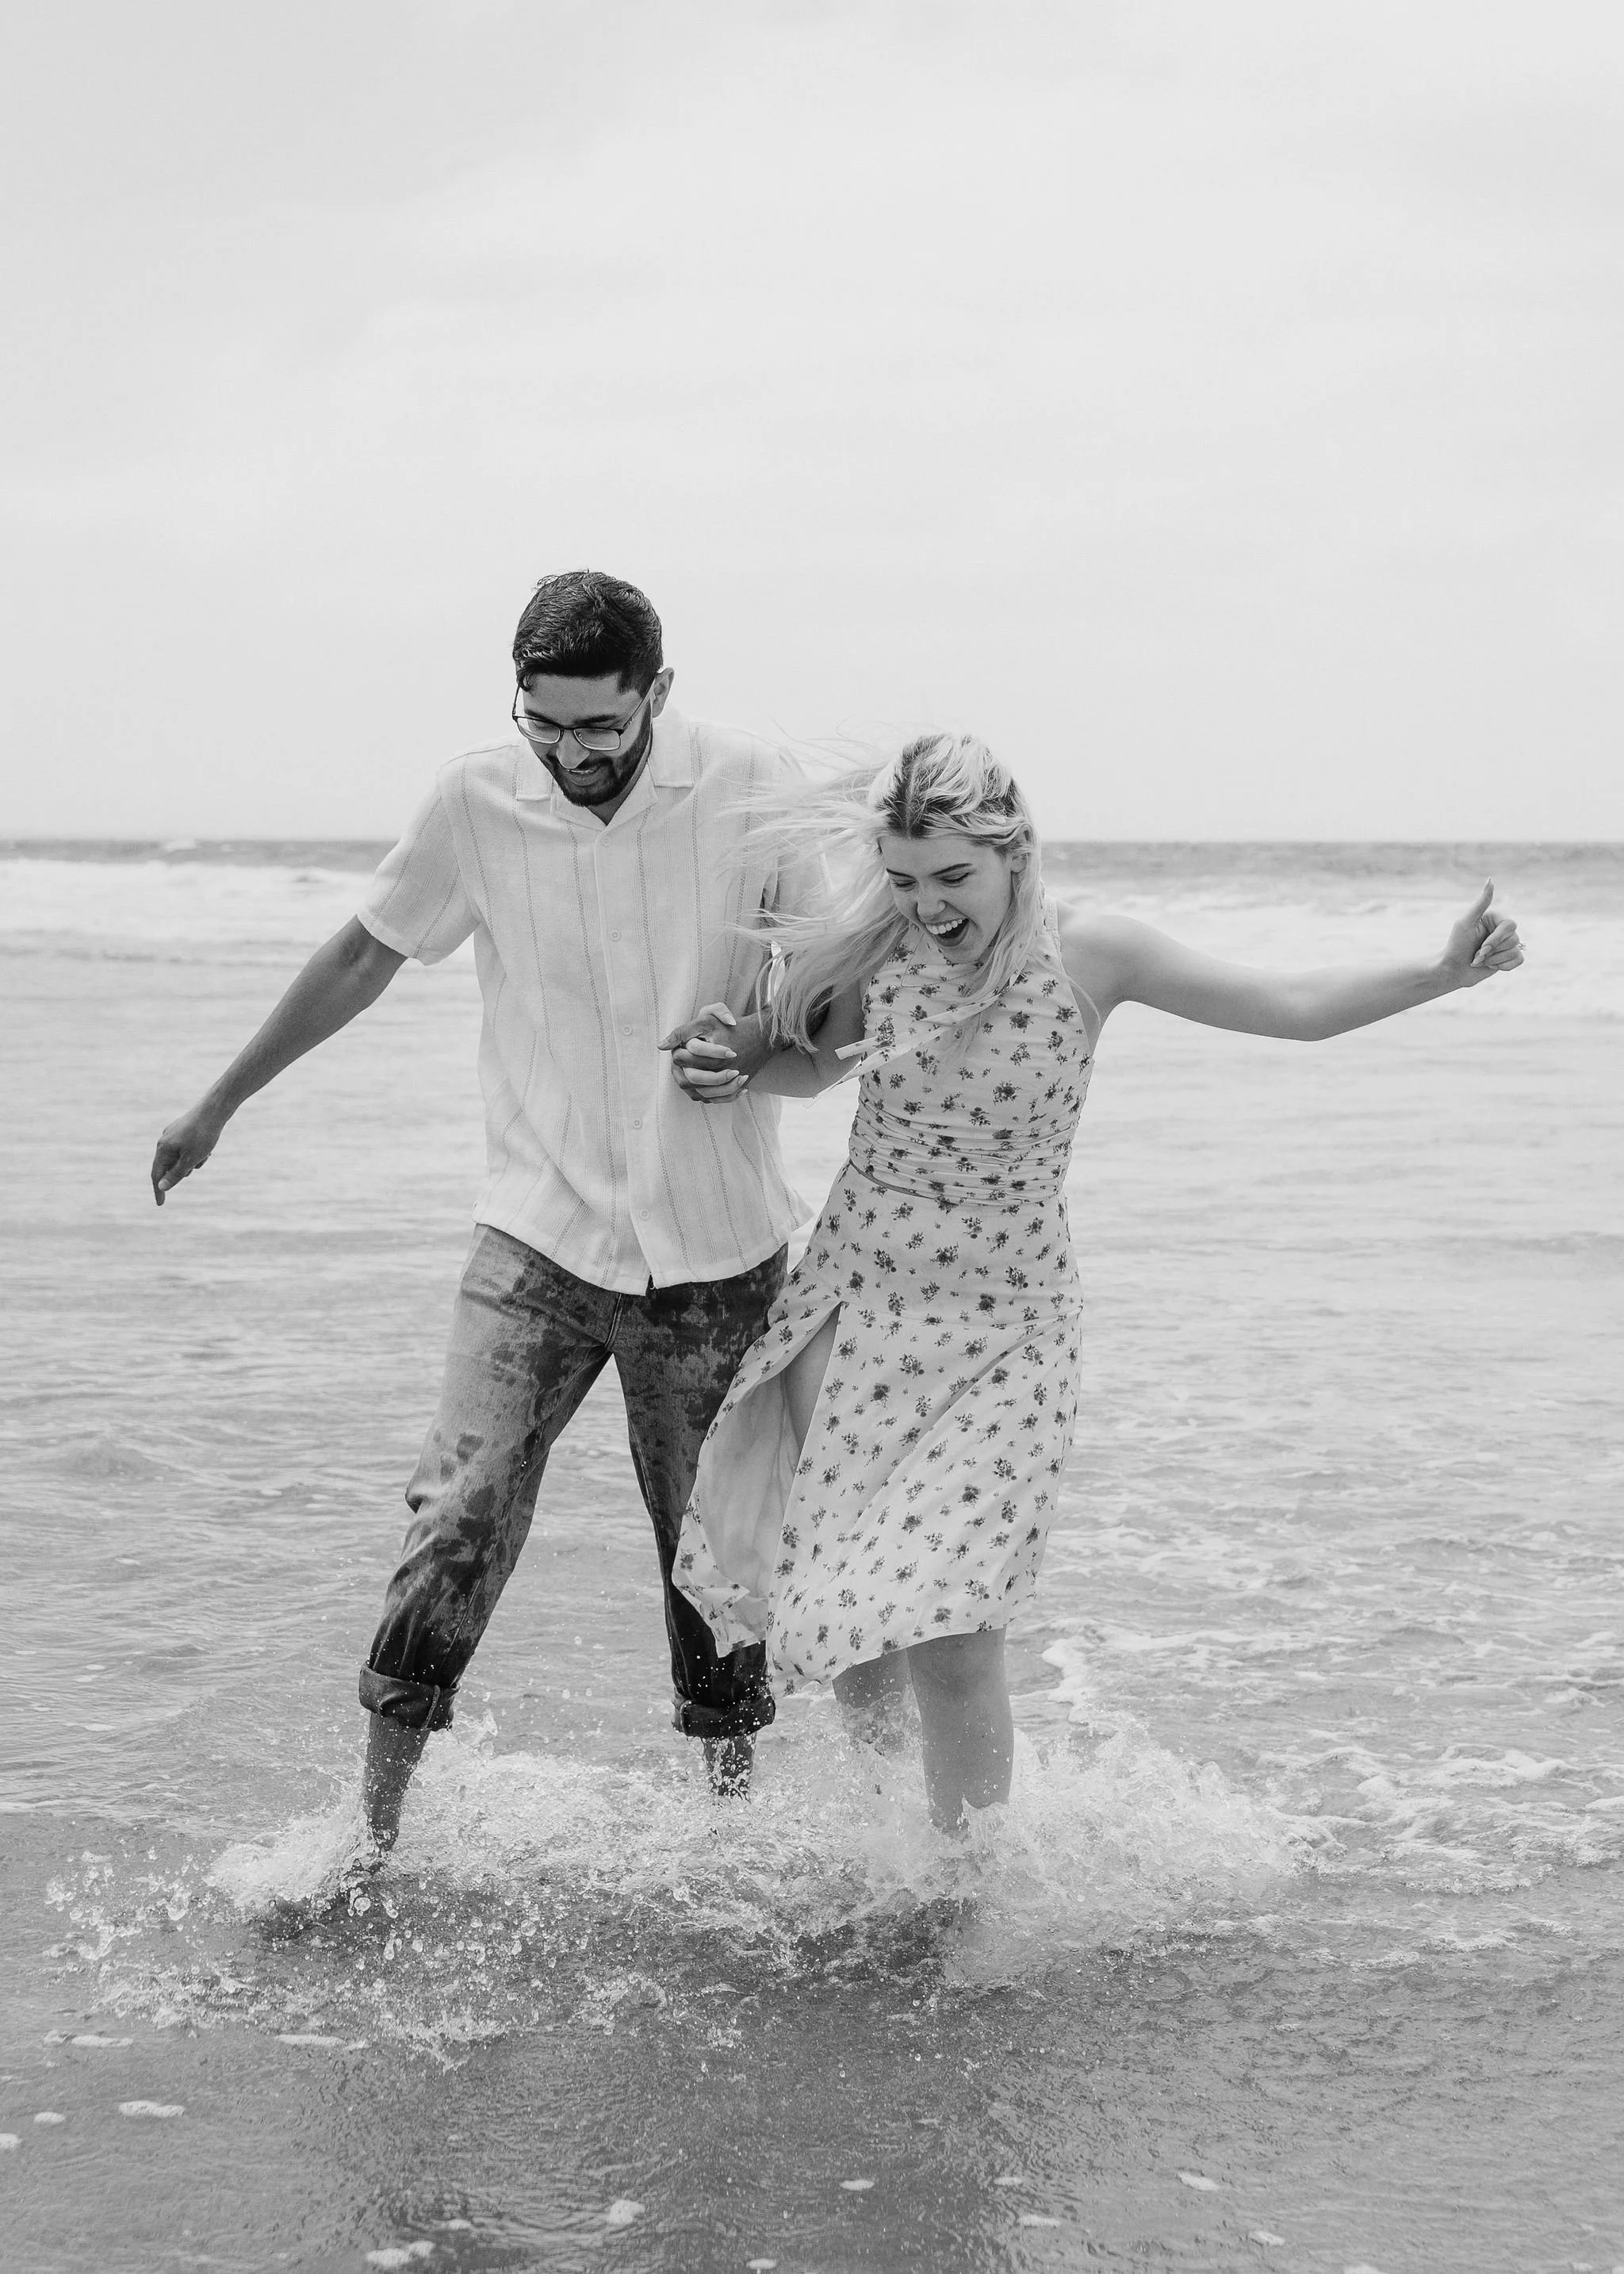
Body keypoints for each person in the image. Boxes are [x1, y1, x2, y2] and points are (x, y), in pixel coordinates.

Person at [661, 733, 1523, 1830]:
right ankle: (881, 1848)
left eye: (953, 877)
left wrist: (1441, 974)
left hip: (1010, 1330)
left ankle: (963, 1890)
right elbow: (809, 1062)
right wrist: (734, 1061)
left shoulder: (1091, 953)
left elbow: (1290, 1004)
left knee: (957, 1635)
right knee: (854, 1625)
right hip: (858, 1303)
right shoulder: (881, 952)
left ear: (1016, 849)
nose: (927, 904)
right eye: (906, 879)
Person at [150, 569, 822, 1854]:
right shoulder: (476, 797)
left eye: (600, 727)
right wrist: (219, 1104)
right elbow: (366, 950)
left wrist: (765, 1034)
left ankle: (732, 1847)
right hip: (539, 1234)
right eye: (544, 723)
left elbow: (836, 969)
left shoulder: (750, 785)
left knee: (715, 1558)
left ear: (657, 696)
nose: (571, 753)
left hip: (720, 1247)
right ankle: (374, 1838)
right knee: (455, 1514)